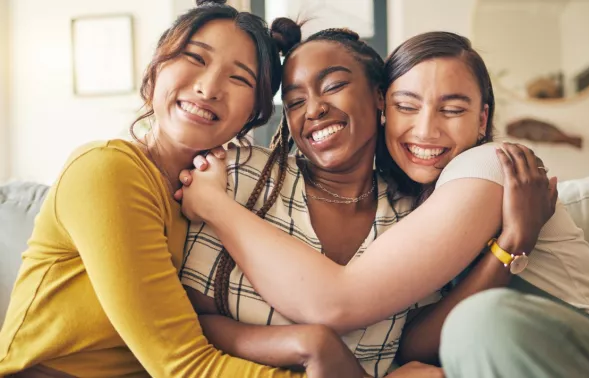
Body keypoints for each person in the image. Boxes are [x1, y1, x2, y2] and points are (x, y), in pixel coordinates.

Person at [179, 30, 589, 377]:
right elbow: (415, 342)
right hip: (509, 352)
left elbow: (337, 302)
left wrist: (217, 207)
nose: (425, 130)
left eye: (452, 109)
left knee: (480, 324)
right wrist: (509, 246)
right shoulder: (415, 206)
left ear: (483, 119)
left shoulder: (487, 167)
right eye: (407, 106)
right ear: (386, 106)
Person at [0, 2, 363, 377]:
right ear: (156, 69)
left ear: (253, 114)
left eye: (239, 79)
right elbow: (184, 366)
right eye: (195, 58)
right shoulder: (107, 169)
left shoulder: (225, 190)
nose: (208, 88)